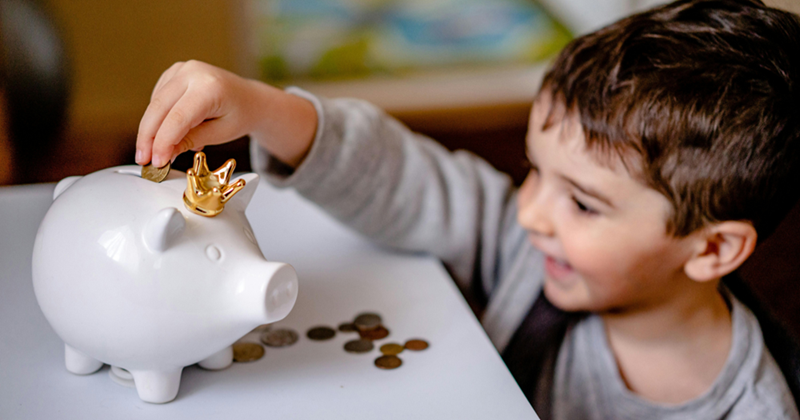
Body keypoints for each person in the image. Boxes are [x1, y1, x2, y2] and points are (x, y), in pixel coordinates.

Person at [134, 0, 800, 418]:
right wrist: (259, 108)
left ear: (711, 249)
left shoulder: (756, 407)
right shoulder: (526, 247)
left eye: (582, 204)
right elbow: (402, 176)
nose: (531, 211)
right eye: (535, 169)